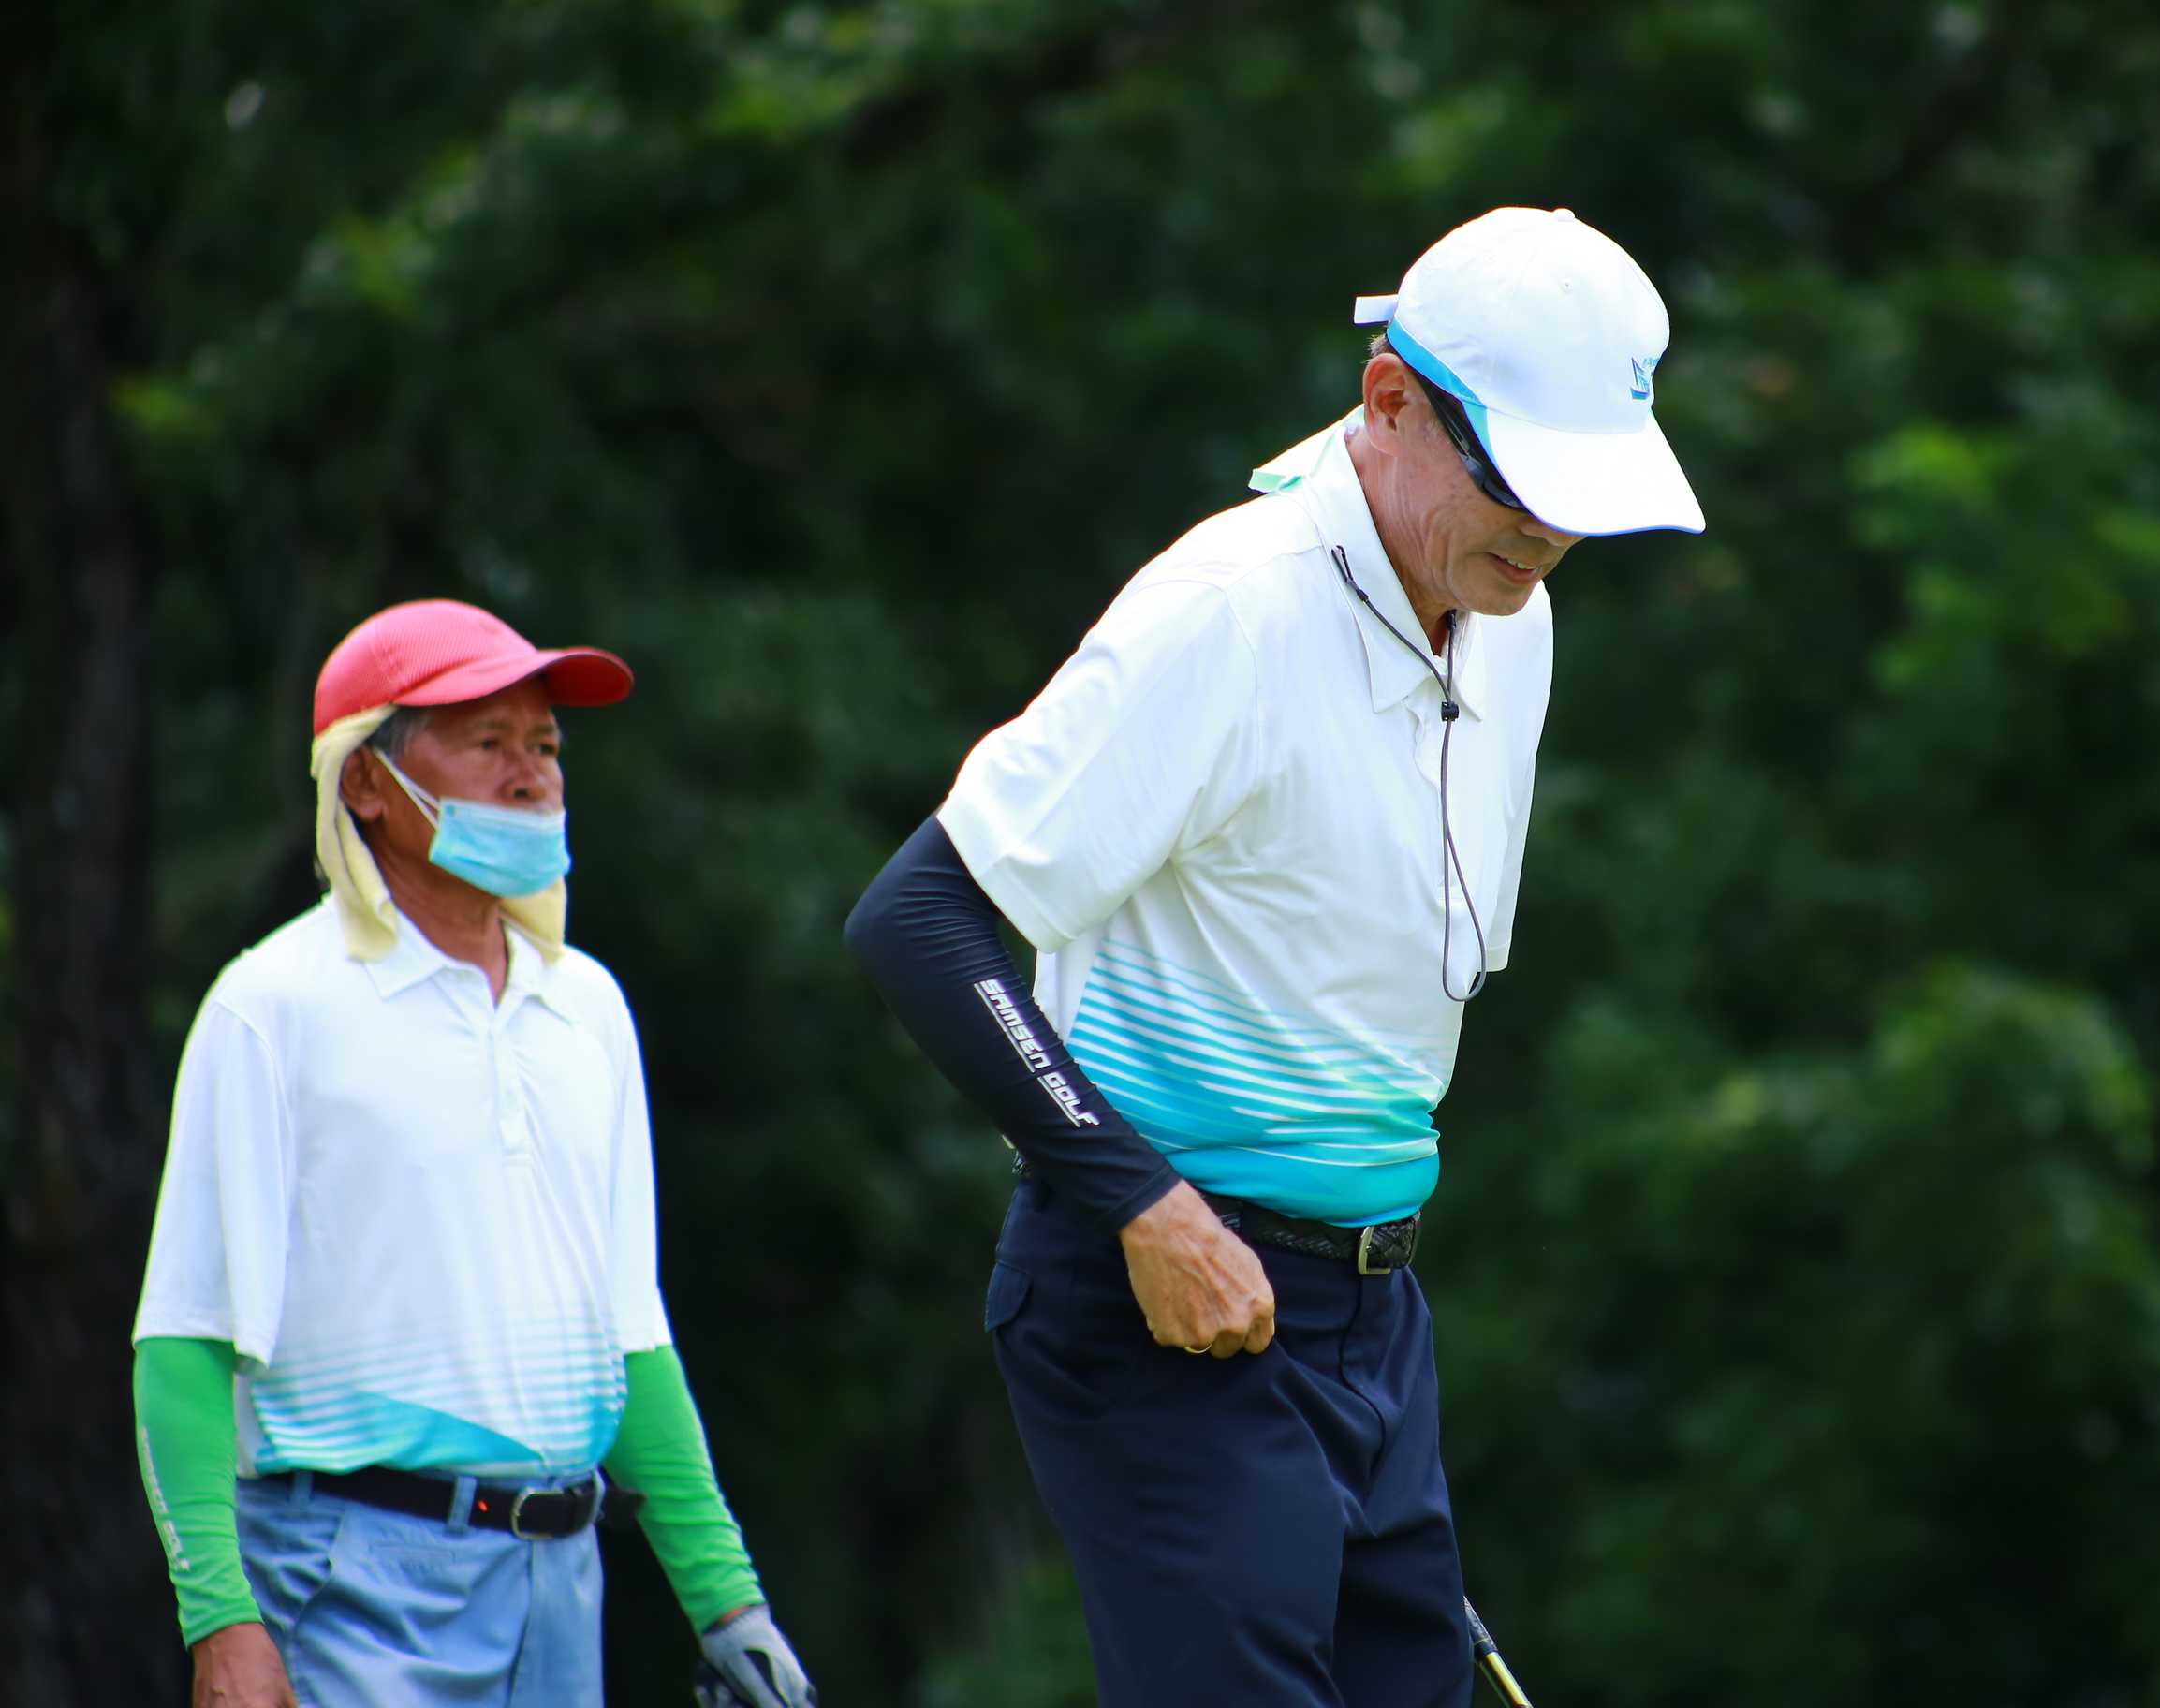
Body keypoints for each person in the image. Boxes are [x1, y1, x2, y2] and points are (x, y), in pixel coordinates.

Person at [845, 206, 1703, 1705]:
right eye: (1520, 483)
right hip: (1163, 1298)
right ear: (1391, 401)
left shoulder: (1512, 614)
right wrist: (1141, 1205)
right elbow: (917, 918)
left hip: (1368, 1316)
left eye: (1580, 496)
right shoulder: (1228, 611)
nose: (1550, 533)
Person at [133, 599, 817, 1708]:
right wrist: (220, 1620)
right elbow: (184, 1340)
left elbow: (629, 1336)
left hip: (562, 1579)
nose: (531, 776)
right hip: (346, 1578)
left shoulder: (587, 1008)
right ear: (367, 784)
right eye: (489, 741)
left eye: (546, 745)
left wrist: (728, 1603)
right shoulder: (272, 1007)